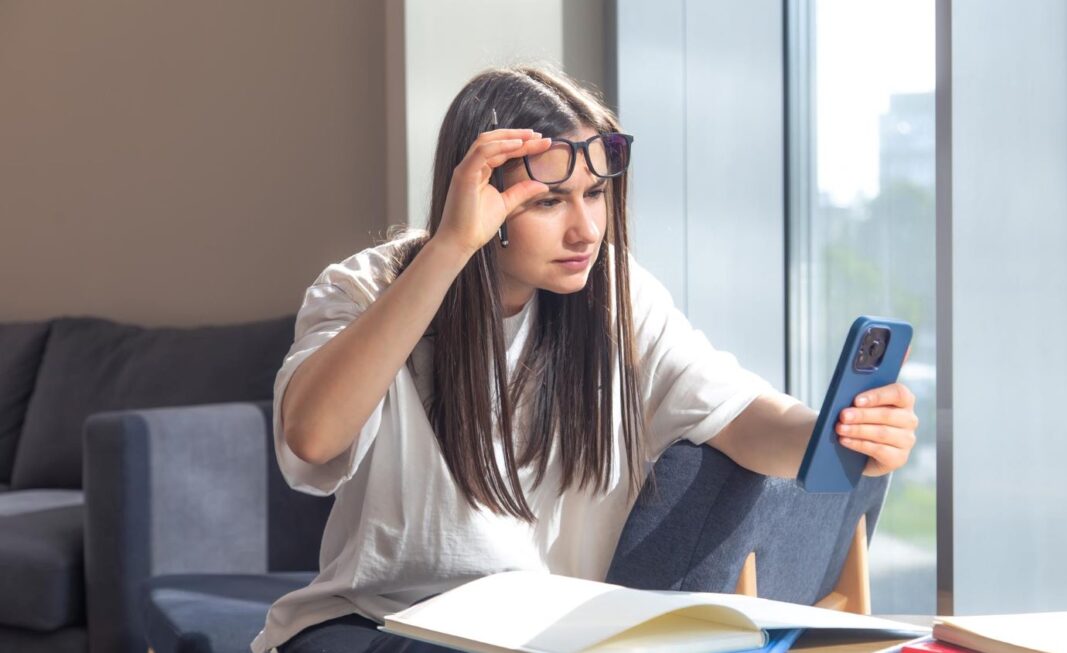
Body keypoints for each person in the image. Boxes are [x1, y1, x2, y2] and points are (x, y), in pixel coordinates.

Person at [250, 65, 918, 653]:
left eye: (595, 194)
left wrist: (841, 433)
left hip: (540, 634)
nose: (587, 229)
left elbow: (742, 418)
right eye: (549, 202)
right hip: (372, 623)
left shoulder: (615, 295)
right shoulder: (366, 287)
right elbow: (312, 437)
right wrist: (452, 246)